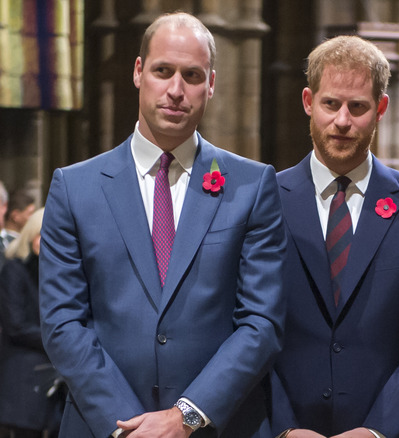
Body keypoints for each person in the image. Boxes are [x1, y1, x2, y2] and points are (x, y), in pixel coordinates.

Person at [39, 12, 286, 438]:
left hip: (216, 427)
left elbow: (261, 322)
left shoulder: (251, 185)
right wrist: (126, 426)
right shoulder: (74, 187)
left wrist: (186, 416)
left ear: (211, 83)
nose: (175, 90)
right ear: (139, 72)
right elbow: (63, 322)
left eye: (192, 75)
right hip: (104, 427)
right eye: (162, 71)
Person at [268, 35, 399, 438]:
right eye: (330, 104)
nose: (342, 121)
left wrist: (377, 430)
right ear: (308, 101)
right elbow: (245, 326)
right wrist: (283, 427)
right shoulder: (264, 200)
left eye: (358, 107)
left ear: (381, 109)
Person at [0, 208, 65, 438]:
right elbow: (16, 325)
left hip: (55, 370)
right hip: (25, 371)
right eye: (41, 234)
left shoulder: (59, 272)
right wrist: (61, 339)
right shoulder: (15, 270)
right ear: (30, 235)